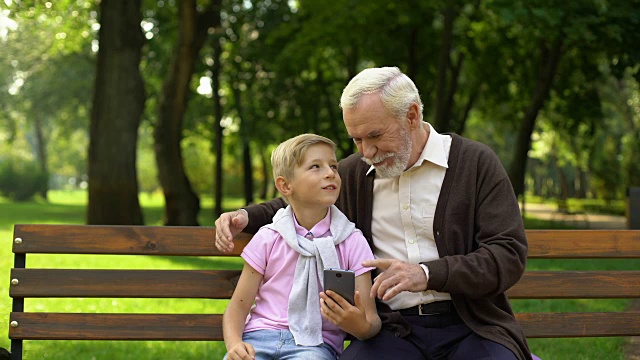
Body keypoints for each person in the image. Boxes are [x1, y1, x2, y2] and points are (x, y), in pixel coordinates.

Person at [216, 67, 532, 360]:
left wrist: (425, 274)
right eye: (357, 139)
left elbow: (507, 255)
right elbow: (298, 200)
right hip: (394, 329)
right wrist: (246, 216)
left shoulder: (475, 163)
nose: (366, 152)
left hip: (472, 323)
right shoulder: (354, 174)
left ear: (412, 115)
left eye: (375, 136)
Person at [222, 134, 381, 360]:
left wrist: (358, 325)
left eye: (333, 166)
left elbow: (371, 321)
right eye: (315, 166)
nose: (331, 173)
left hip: (315, 346)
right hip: (258, 339)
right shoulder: (269, 237)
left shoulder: (351, 241)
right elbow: (238, 307)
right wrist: (235, 344)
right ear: (285, 185)